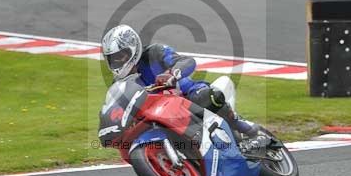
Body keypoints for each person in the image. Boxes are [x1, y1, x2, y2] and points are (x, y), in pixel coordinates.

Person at [101, 24, 261, 143]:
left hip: (187, 95)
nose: (118, 61)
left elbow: (187, 61)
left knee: (209, 97)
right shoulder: (119, 84)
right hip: (158, 114)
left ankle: (241, 126)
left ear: (133, 49)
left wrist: (171, 74)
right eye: (113, 58)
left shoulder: (154, 53)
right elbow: (117, 109)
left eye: (121, 56)